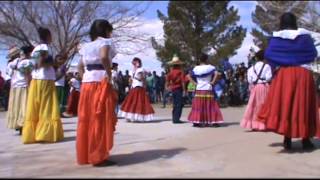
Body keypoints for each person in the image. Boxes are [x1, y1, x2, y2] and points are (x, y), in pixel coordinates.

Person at [257, 13, 320, 150]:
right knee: (304, 104)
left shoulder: (277, 38)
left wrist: (284, 61)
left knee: (286, 104)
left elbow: (269, 55)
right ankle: (306, 139)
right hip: (303, 73)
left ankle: (287, 138)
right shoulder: (304, 37)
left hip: (285, 74)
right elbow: (313, 54)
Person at [77, 19, 118, 166]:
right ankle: (98, 155)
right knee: (100, 117)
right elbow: (103, 57)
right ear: (106, 30)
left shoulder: (86, 46)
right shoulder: (104, 43)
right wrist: (109, 73)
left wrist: (85, 78)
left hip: (87, 84)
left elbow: (79, 67)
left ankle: (86, 154)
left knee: (86, 118)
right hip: (100, 82)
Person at [22, 27, 64, 144]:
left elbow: (34, 65)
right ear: (47, 36)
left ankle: (33, 133)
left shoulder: (35, 49)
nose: (52, 38)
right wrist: (55, 63)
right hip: (45, 79)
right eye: (51, 36)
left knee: (36, 106)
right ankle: (45, 133)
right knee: (47, 106)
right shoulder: (44, 47)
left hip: (36, 79)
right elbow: (41, 63)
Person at [188, 53, 224, 127]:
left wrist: (195, 83)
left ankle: (196, 121)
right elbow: (217, 73)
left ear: (199, 60)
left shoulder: (196, 68)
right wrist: (213, 82)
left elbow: (188, 76)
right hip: (208, 88)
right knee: (211, 105)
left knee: (198, 106)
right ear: (206, 59)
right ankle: (214, 121)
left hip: (199, 88)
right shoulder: (210, 67)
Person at [240, 50, 272, 131]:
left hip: (254, 87)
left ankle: (254, 124)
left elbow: (249, 80)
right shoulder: (267, 66)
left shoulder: (251, 68)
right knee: (264, 105)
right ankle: (263, 124)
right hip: (264, 86)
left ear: (256, 58)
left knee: (253, 105)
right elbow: (269, 77)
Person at [6, 46, 34, 134]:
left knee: (17, 106)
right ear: (29, 53)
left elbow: (9, 72)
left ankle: (18, 124)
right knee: (24, 106)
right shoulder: (28, 62)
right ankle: (23, 125)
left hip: (15, 87)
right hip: (24, 86)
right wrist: (30, 86)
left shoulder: (16, 61)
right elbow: (27, 76)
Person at [120, 57, 155, 122]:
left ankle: (130, 116)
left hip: (134, 87)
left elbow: (130, 80)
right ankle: (136, 117)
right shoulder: (140, 70)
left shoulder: (132, 71)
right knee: (138, 102)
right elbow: (141, 78)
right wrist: (144, 81)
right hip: (139, 87)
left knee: (132, 102)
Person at [166, 55, 186, 124]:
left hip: (173, 89)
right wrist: (184, 90)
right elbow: (183, 82)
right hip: (179, 89)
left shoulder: (170, 73)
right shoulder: (180, 72)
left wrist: (168, 88)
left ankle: (174, 118)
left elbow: (167, 82)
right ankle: (176, 119)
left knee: (174, 104)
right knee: (179, 104)